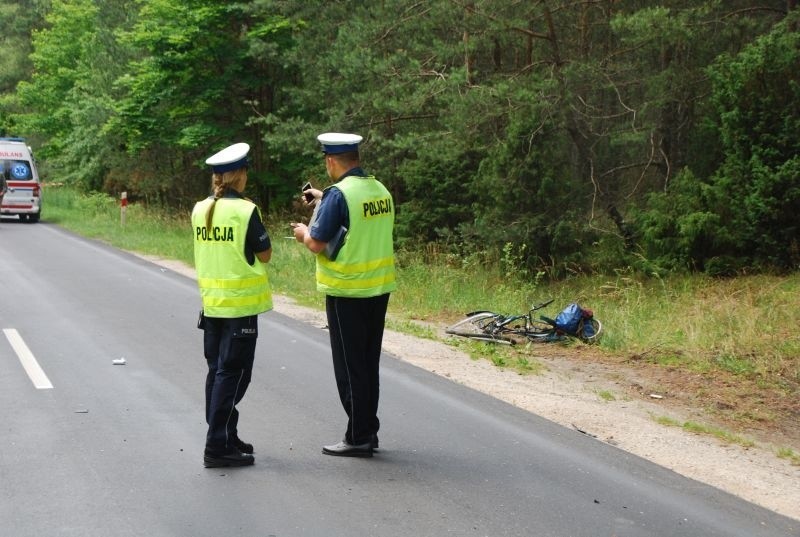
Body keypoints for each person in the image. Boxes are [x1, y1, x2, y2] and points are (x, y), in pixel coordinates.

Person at [291, 132, 396, 458]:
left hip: (347, 290)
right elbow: (357, 217)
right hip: (378, 289)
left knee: (350, 369)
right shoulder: (378, 189)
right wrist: (324, 198)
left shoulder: (339, 195)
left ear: (331, 161)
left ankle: (358, 436)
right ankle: (369, 430)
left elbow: (317, 242)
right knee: (368, 364)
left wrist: (302, 232)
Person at [191, 142, 273, 468]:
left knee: (218, 372)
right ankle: (216, 446)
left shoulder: (200, 209)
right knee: (234, 375)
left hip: (212, 305)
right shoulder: (245, 211)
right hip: (240, 307)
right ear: (240, 175)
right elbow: (264, 254)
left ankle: (226, 434)